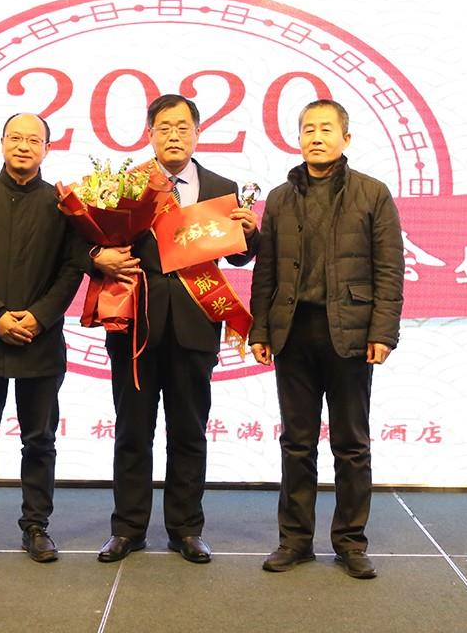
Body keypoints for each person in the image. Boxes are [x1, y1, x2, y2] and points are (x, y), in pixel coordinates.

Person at [91, 93, 259, 564]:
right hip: (135, 326)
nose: (173, 135)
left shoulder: (222, 188)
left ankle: (186, 529)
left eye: (183, 127)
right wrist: (96, 257)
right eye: (164, 127)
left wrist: (250, 234)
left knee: (189, 431)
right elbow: (95, 244)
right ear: (149, 134)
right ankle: (127, 528)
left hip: (194, 328)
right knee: (132, 431)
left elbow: (239, 256)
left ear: (198, 133)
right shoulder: (124, 185)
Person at [249, 98, 405, 580]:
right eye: (308, 130)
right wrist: (260, 328)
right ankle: (294, 541)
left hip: (350, 333)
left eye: (326, 129)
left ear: (345, 138)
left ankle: (350, 542)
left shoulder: (372, 193)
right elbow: (266, 270)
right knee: (296, 443)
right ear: (298, 138)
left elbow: (389, 269)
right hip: (293, 333)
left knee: (351, 444)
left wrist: (383, 332)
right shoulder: (280, 197)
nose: (316, 137)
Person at [0, 112, 85, 566]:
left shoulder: (63, 204)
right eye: (16, 138)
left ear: (47, 148)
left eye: (33, 140)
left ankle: (36, 527)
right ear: (2, 142)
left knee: (39, 440)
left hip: (40, 341)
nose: (24, 146)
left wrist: (39, 317)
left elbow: (72, 269)